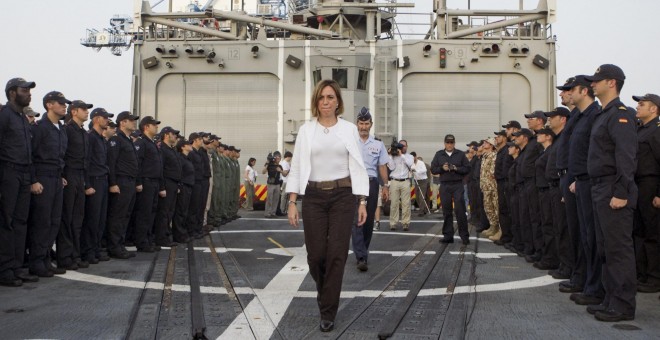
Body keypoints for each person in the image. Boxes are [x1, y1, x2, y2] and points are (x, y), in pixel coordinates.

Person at [286, 79, 368, 332]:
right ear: (316, 101)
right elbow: (298, 165)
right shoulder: (306, 130)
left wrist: (362, 200)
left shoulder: (349, 129)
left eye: (330, 97)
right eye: (322, 97)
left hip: (343, 196)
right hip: (313, 196)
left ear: (338, 101)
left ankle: (328, 310)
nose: (326, 102)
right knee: (316, 255)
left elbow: (358, 164)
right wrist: (292, 201)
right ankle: (326, 294)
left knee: (337, 255)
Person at [586, 64, 638, 322]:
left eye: (597, 80)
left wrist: (621, 191)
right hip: (600, 187)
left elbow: (626, 157)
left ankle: (623, 305)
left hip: (613, 188)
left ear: (612, 83)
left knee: (618, 249)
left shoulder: (621, 114)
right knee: (605, 247)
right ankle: (610, 298)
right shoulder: (603, 115)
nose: (593, 84)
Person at [0, 78, 37, 286]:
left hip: (23, 174)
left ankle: (16, 267)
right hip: (8, 172)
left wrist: (31, 178)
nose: (29, 93)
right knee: (6, 222)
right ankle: (5, 270)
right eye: (25, 90)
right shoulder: (4, 116)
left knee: (21, 222)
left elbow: (29, 152)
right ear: (12, 93)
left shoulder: (23, 118)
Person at [28, 91, 70, 276]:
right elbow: (31, 155)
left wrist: (60, 175)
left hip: (55, 177)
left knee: (54, 221)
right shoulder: (40, 127)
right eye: (60, 103)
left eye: (65, 103)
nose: (64, 106)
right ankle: (36, 262)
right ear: (49, 105)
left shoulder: (61, 129)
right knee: (42, 221)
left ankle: (45, 259)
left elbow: (60, 157)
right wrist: (33, 180)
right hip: (42, 177)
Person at [352, 107, 390, 272]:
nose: (364, 127)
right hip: (354, 184)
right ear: (357, 124)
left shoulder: (378, 144)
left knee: (368, 222)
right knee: (356, 220)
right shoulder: (350, 142)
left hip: (371, 183)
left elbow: (381, 166)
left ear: (371, 124)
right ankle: (361, 256)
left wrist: (386, 186)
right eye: (361, 123)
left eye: (366, 123)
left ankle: (363, 251)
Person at [58, 99, 93, 269]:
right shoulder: (67, 130)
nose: (87, 112)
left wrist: (86, 182)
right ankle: (65, 256)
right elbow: (62, 154)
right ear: (74, 112)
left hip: (80, 176)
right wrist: (62, 175)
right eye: (83, 109)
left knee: (78, 218)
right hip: (70, 175)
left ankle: (75, 254)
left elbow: (86, 160)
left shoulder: (83, 133)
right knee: (67, 217)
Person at [631, 93, 660, 293]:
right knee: (638, 232)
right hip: (638, 185)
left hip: (651, 184)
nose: (638, 107)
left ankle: (654, 277)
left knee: (653, 234)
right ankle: (641, 274)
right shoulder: (640, 130)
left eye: (642, 104)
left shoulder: (657, 131)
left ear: (654, 109)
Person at [80, 108, 114, 264]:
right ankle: (88, 251)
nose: (107, 120)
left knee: (100, 219)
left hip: (103, 179)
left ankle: (96, 248)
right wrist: (87, 184)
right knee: (92, 219)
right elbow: (86, 162)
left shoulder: (101, 139)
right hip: (93, 180)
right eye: (104, 117)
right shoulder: (91, 138)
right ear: (95, 119)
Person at [106, 111, 140, 259]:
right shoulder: (116, 140)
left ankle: (120, 244)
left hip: (130, 182)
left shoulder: (128, 140)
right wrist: (113, 183)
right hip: (121, 181)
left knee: (126, 215)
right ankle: (114, 246)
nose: (134, 122)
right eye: (131, 120)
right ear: (122, 123)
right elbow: (111, 163)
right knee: (118, 216)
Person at [431, 134, 471, 245]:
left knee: (460, 210)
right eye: (447, 142)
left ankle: (464, 236)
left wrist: (456, 168)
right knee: (447, 211)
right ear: (444, 143)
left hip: (458, 185)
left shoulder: (461, 154)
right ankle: (448, 236)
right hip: (444, 185)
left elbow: (467, 168)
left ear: (454, 143)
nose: (449, 144)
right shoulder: (439, 154)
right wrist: (442, 169)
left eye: (451, 142)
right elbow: (433, 169)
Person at [133, 116, 164, 252]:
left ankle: (149, 239)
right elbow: (137, 164)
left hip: (154, 182)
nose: (156, 127)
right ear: (146, 127)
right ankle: (142, 242)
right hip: (146, 182)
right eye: (153, 125)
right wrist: (138, 181)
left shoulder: (151, 143)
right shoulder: (142, 143)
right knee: (144, 213)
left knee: (152, 212)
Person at [387, 139, 414, 231]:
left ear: (406, 146)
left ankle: (405, 223)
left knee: (406, 203)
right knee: (394, 203)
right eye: (400, 145)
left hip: (405, 181)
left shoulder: (409, 156)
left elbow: (410, 164)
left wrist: (401, 155)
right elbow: (391, 167)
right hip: (394, 181)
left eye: (404, 146)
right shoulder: (394, 156)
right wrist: (390, 156)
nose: (402, 147)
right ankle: (393, 223)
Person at [493, 130, 513, 246]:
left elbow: (507, 168)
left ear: (505, 138)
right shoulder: (501, 151)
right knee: (502, 210)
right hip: (500, 182)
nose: (496, 138)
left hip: (505, 182)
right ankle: (505, 235)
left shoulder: (506, 150)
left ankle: (507, 236)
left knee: (506, 211)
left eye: (499, 136)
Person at [479, 137, 500, 240]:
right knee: (488, 206)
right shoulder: (485, 156)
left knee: (495, 206)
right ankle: (492, 225)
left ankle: (497, 227)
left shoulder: (493, 156)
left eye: (486, 142)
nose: (484, 143)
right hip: (485, 186)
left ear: (491, 145)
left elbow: (492, 172)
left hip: (492, 186)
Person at [264, 151, 283, 218]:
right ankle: (267, 213)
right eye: (278, 158)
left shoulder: (279, 166)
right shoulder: (269, 164)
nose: (279, 159)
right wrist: (267, 162)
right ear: (275, 158)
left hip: (277, 184)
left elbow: (284, 174)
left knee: (276, 199)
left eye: (280, 158)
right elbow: (263, 172)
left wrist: (280, 170)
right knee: (269, 198)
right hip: (270, 184)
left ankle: (273, 213)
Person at [411, 152, 430, 216]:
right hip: (416, 181)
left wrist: (416, 171)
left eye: (413, 157)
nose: (413, 158)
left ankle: (421, 211)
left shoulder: (421, 163)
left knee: (422, 196)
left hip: (423, 180)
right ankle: (424, 209)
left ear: (415, 156)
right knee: (417, 197)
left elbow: (424, 170)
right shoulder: (411, 163)